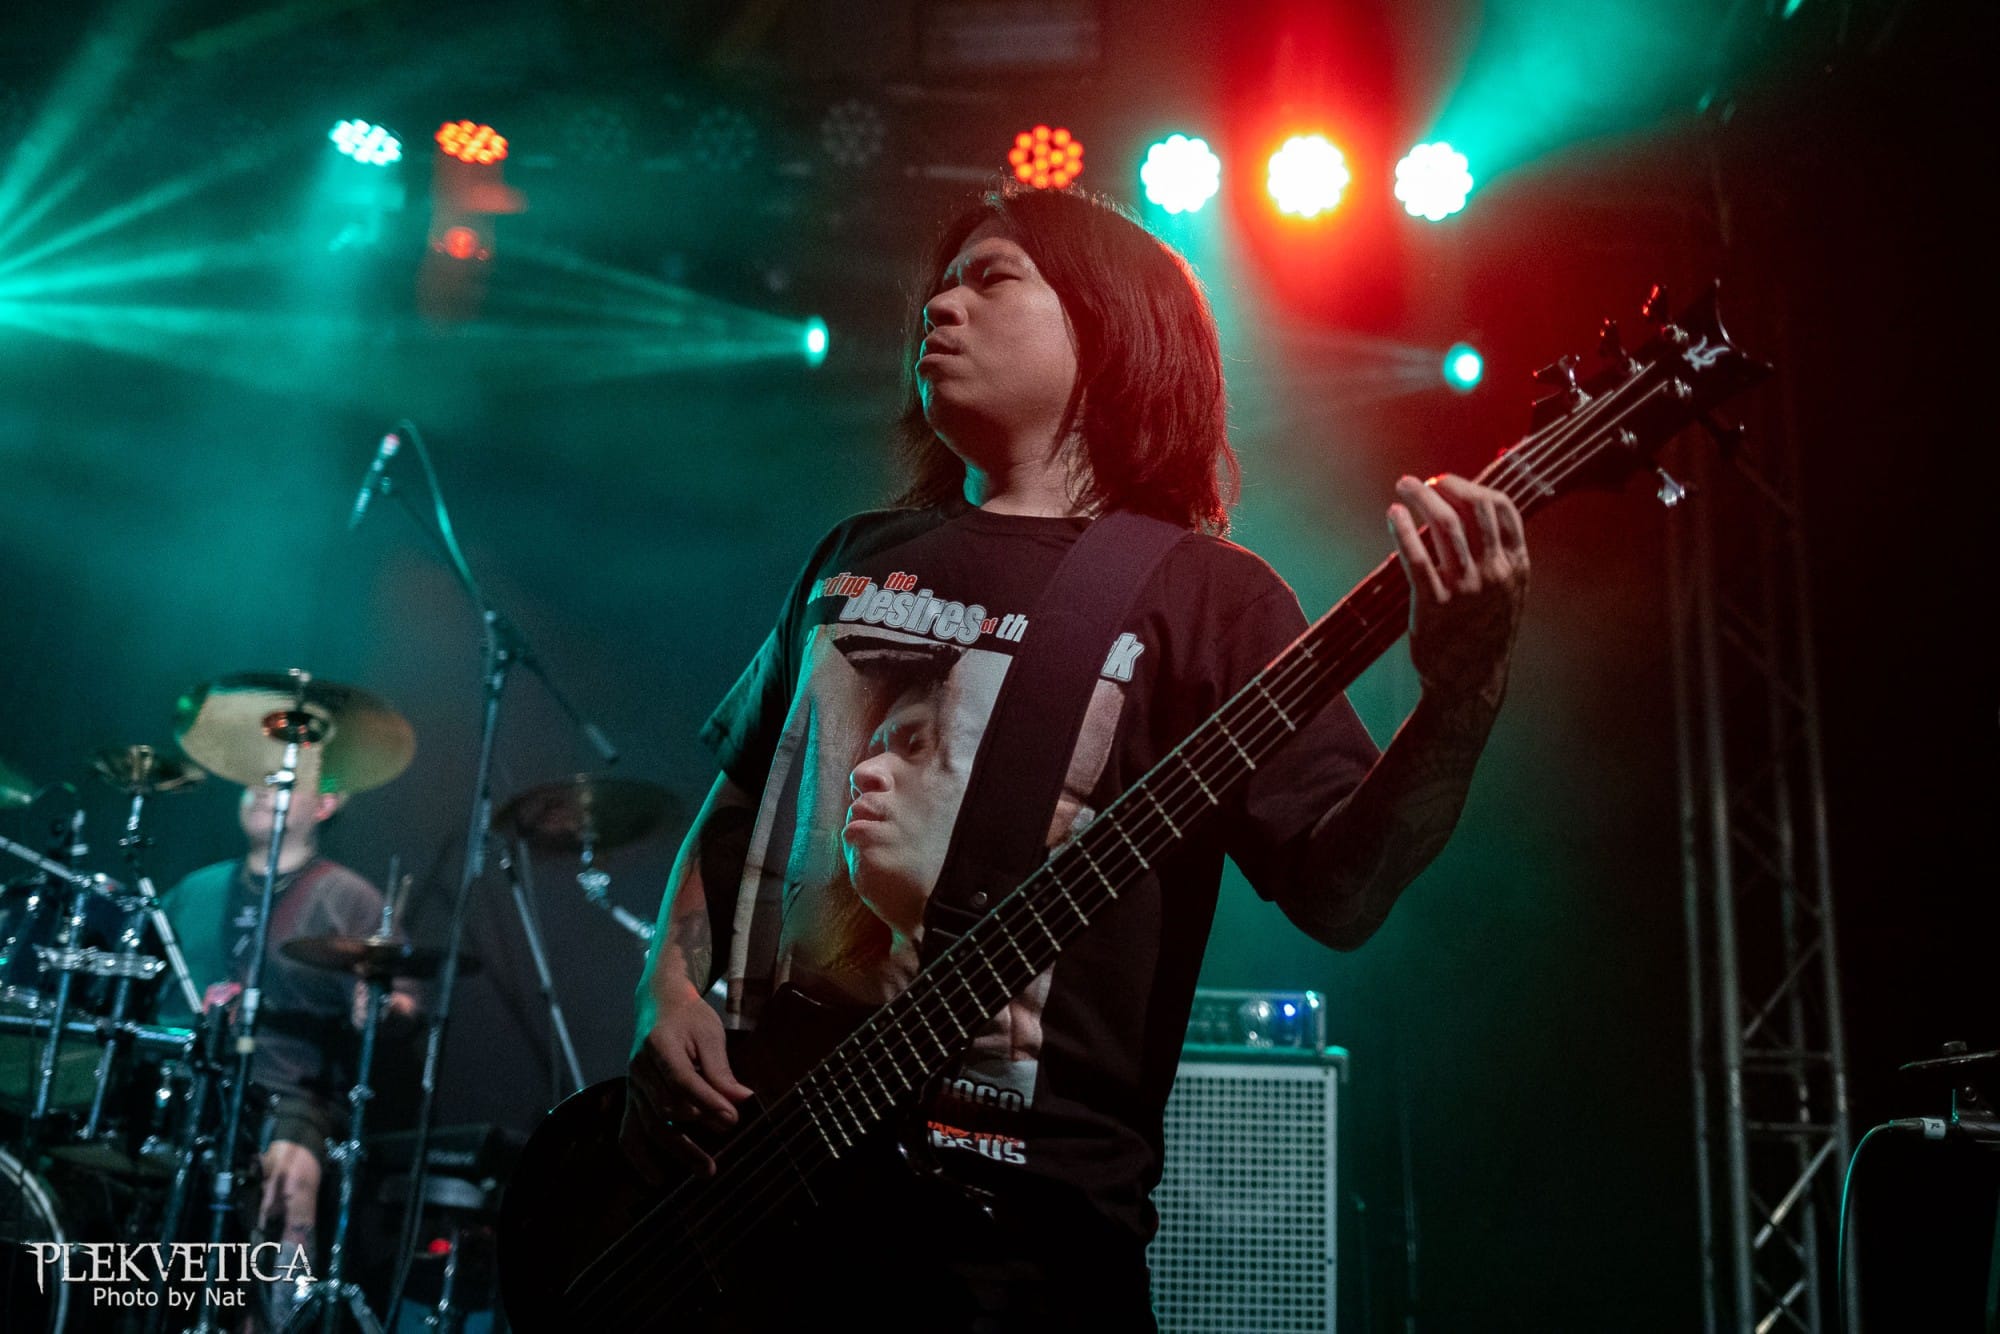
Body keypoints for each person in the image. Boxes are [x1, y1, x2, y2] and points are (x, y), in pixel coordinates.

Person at [625, 184, 1530, 1328]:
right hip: (749, 1199)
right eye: (941, 282)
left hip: (1018, 1250)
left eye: (991, 277)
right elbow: (743, 794)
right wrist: (663, 987)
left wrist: (1461, 693)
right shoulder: (855, 554)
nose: (939, 305)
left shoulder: (1207, 598)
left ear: (1107, 330)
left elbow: (1340, 891)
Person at [155, 751, 418, 1311]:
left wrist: (379, 1006)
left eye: (282, 782)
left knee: (289, 1178)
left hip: (290, 1090)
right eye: (254, 778)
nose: (260, 788)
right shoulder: (196, 889)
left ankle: (278, 1315)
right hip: (183, 1079)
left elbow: (406, 1002)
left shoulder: (347, 897)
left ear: (326, 804)